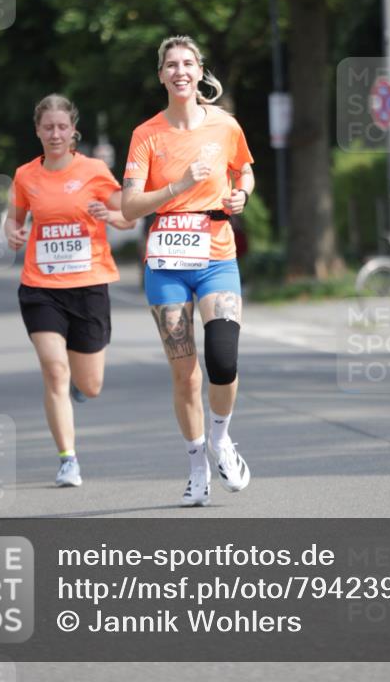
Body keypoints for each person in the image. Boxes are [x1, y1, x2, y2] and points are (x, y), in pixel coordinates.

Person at [121, 35, 255, 507]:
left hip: (217, 255)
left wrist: (243, 194)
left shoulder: (225, 125)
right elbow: (130, 205)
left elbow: (244, 171)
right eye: (171, 65)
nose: (180, 71)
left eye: (188, 63)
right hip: (167, 264)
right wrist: (179, 184)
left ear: (200, 72)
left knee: (224, 359)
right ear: (161, 75)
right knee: (186, 374)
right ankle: (196, 463)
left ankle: (220, 438)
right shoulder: (147, 135)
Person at [4, 94, 134, 488]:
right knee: (54, 369)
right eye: (48, 127)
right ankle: (67, 460)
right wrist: (13, 233)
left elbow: (128, 215)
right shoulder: (26, 175)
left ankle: (79, 384)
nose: (55, 134)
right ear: (38, 131)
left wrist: (109, 215)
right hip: (41, 288)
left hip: (89, 286)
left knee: (90, 386)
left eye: (62, 127)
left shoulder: (94, 170)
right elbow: (13, 221)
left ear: (73, 130)